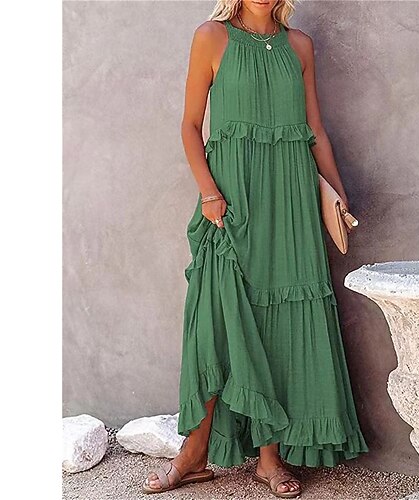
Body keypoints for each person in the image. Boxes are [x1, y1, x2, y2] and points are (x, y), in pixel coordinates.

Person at [142, 0, 368, 497]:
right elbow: (189, 125)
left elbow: (315, 130)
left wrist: (336, 192)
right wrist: (209, 193)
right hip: (232, 201)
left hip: (290, 203)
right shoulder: (211, 37)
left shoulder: (300, 46)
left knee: (279, 324)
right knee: (217, 321)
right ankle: (194, 452)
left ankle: (269, 459)